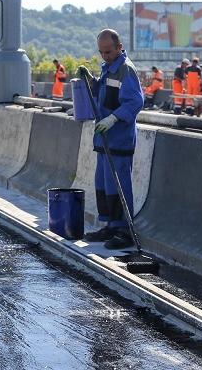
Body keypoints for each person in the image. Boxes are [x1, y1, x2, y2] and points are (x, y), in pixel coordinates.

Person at [79, 29, 144, 249]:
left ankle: (124, 230)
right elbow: (105, 93)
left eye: (108, 51)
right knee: (104, 184)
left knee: (119, 185)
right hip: (104, 139)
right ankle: (110, 225)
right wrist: (91, 80)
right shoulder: (109, 69)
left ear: (119, 46)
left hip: (119, 139)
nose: (105, 56)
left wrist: (113, 119)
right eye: (102, 52)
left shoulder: (126, 70)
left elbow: (135, 102)